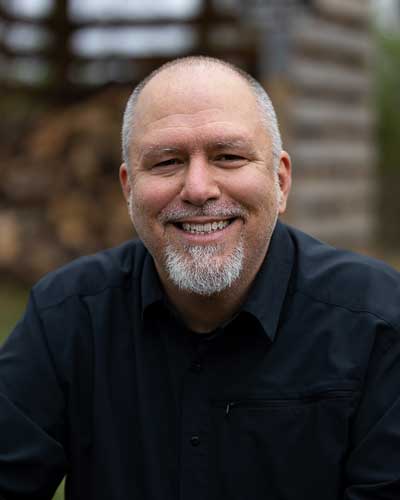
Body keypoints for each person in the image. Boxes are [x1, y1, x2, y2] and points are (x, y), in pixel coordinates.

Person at [1, 56, 400, 500]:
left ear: (280, 181)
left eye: (228, 157)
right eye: (167, 162)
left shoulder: (379, 324)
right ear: (128, 188)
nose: (197, 188)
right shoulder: (66, 317)